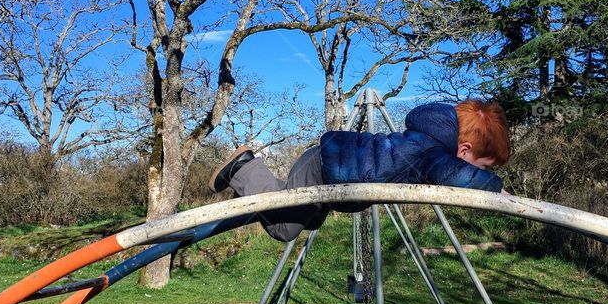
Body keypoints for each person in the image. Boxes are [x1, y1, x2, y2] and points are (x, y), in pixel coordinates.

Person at [208, 99, 510, 242]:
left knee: (308, 220)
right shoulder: (434, 152)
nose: (477, 171)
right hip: (325, 166)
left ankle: (266, 187)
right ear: (465, 151)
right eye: (482, 166)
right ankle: (243, 167)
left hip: (330, 169)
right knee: (284, 229)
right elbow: (456, 176)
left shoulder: (428, 145)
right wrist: (495, 191)